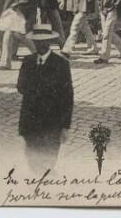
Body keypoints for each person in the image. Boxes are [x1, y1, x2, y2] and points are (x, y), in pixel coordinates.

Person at [17, 23, 73, 171]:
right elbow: (21, 87)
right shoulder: (28, 62)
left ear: (50, 42)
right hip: (31, 121)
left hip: (52, 123)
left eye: (44, 41)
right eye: (37, 41)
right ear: (33, 42)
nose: (41, 44)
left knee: (48, 162)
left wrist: (65, 126)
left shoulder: (61, 64)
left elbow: (67, 97)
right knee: (32, 161)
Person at [0, 0, 37, 70]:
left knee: (19, 35)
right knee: (11, 34)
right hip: (11, 12)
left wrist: (18, 4)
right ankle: (6, 62)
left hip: (20, 12)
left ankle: (36, 55)